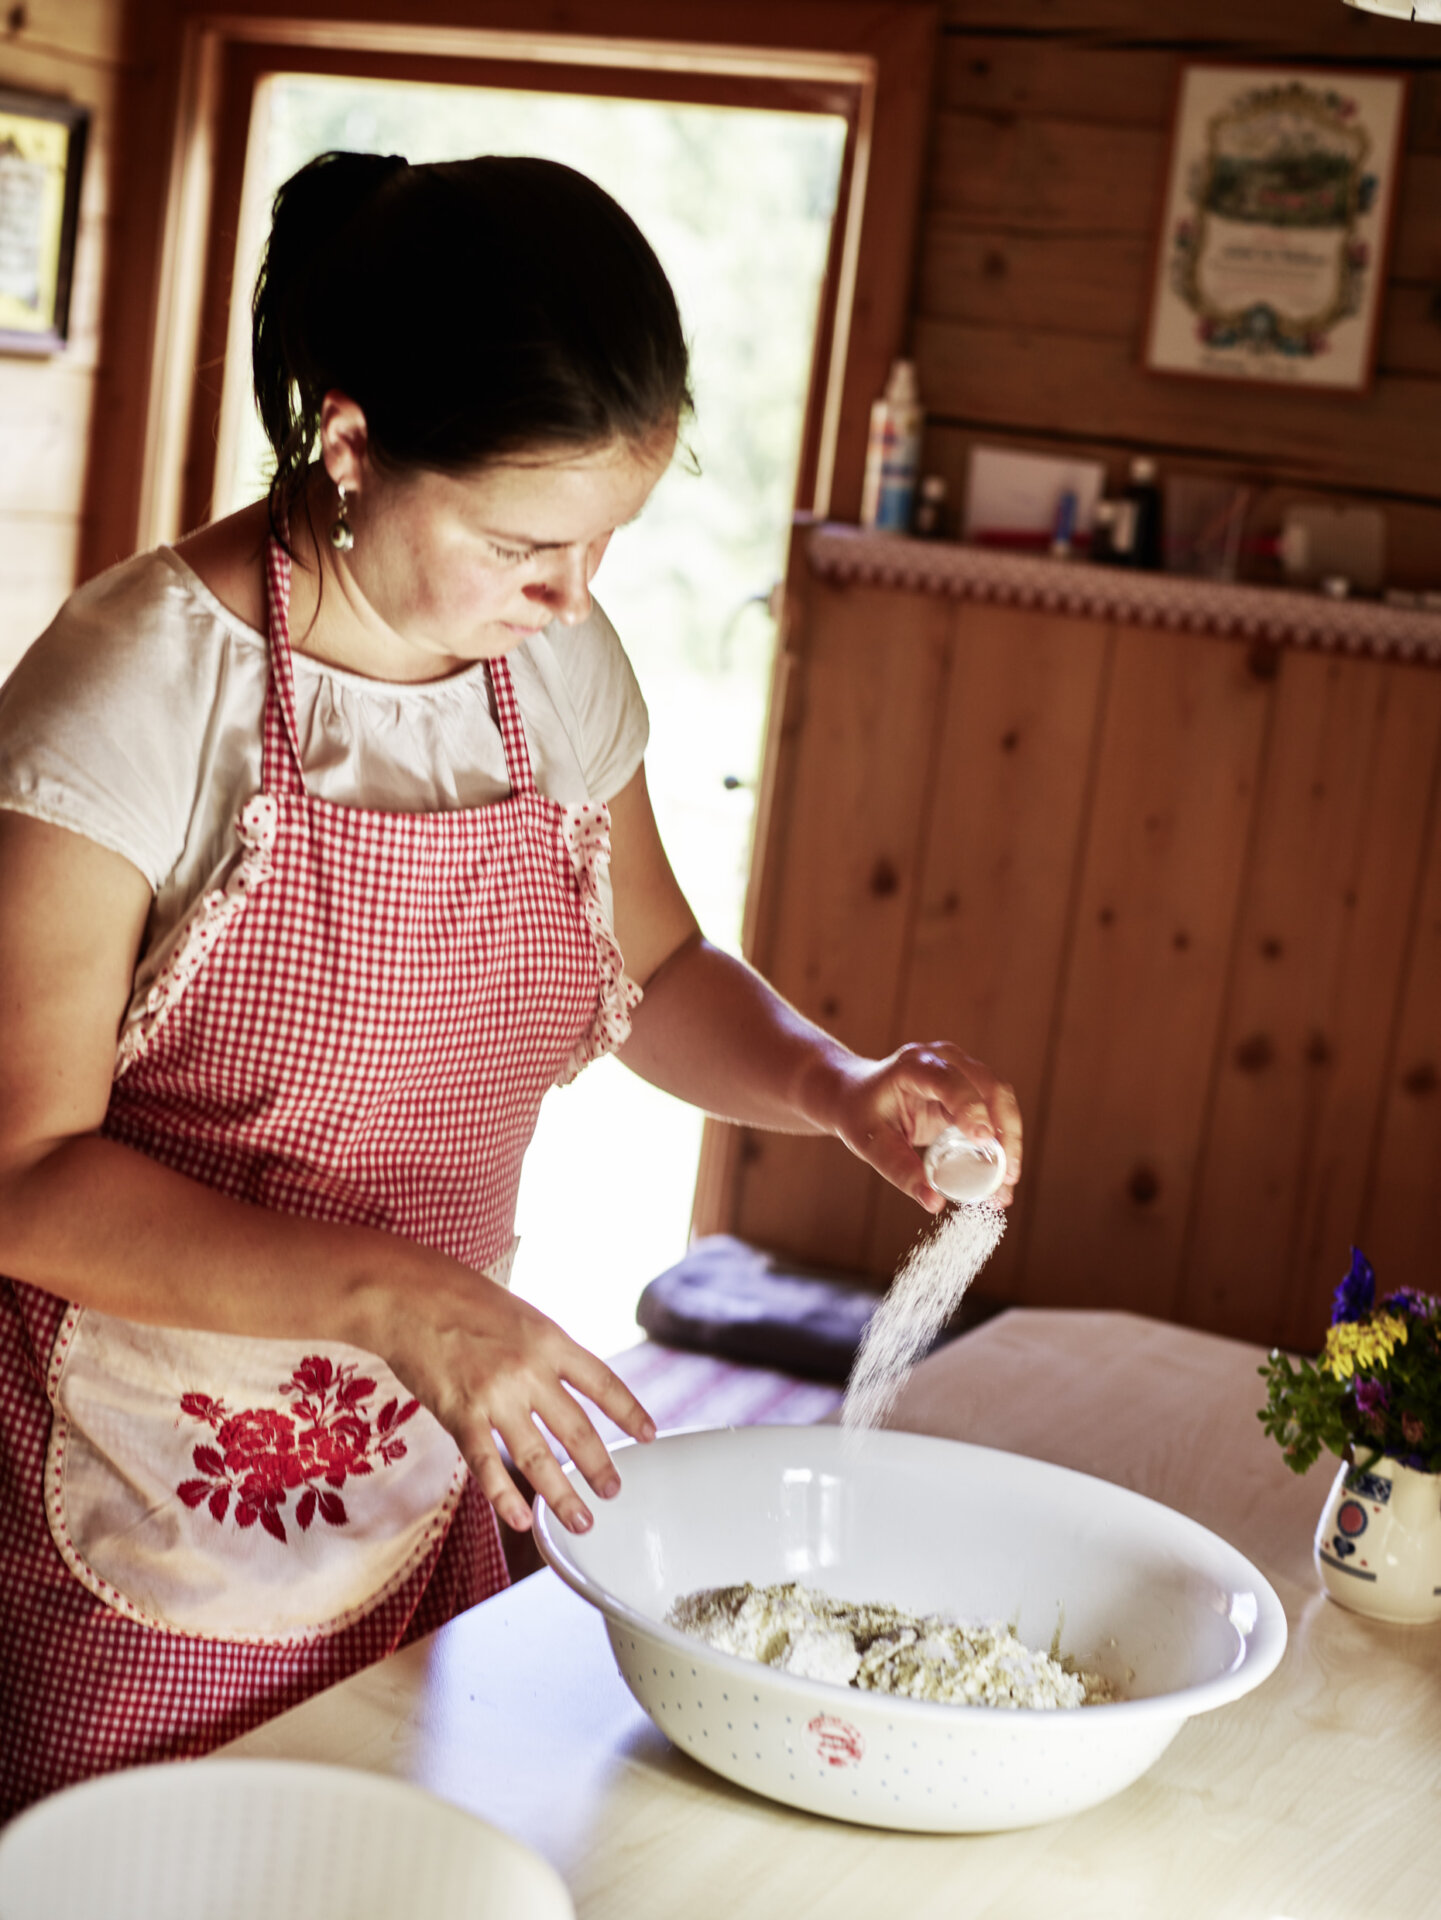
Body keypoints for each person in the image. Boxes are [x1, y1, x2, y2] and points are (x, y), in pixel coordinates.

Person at [0, 151, 1021, 1819]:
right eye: (523, 543)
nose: (570, 597)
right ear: (349, 443)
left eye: (608, 541)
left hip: (428, 1471)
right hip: (127, 1507)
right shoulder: (133, 692)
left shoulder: (544, 668)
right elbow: (19, 1173)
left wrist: (841, 1089)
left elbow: (661, 968)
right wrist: (408, 1303)